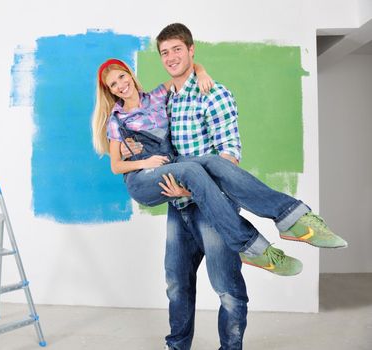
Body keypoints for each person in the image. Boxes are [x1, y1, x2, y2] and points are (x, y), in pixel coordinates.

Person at [91, 23, 347, 350]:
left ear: (191, 49)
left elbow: (229, 156)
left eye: (177, 50)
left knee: (227, 288)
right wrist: (145, 162)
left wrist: (201, 71)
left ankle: (286, 222)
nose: (170, 57)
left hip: (210, 207)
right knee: (177, 286)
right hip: (169, 198)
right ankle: (261, 239)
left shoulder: (196, 94)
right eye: (165, 52)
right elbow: (122, 160)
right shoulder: (143, 107)